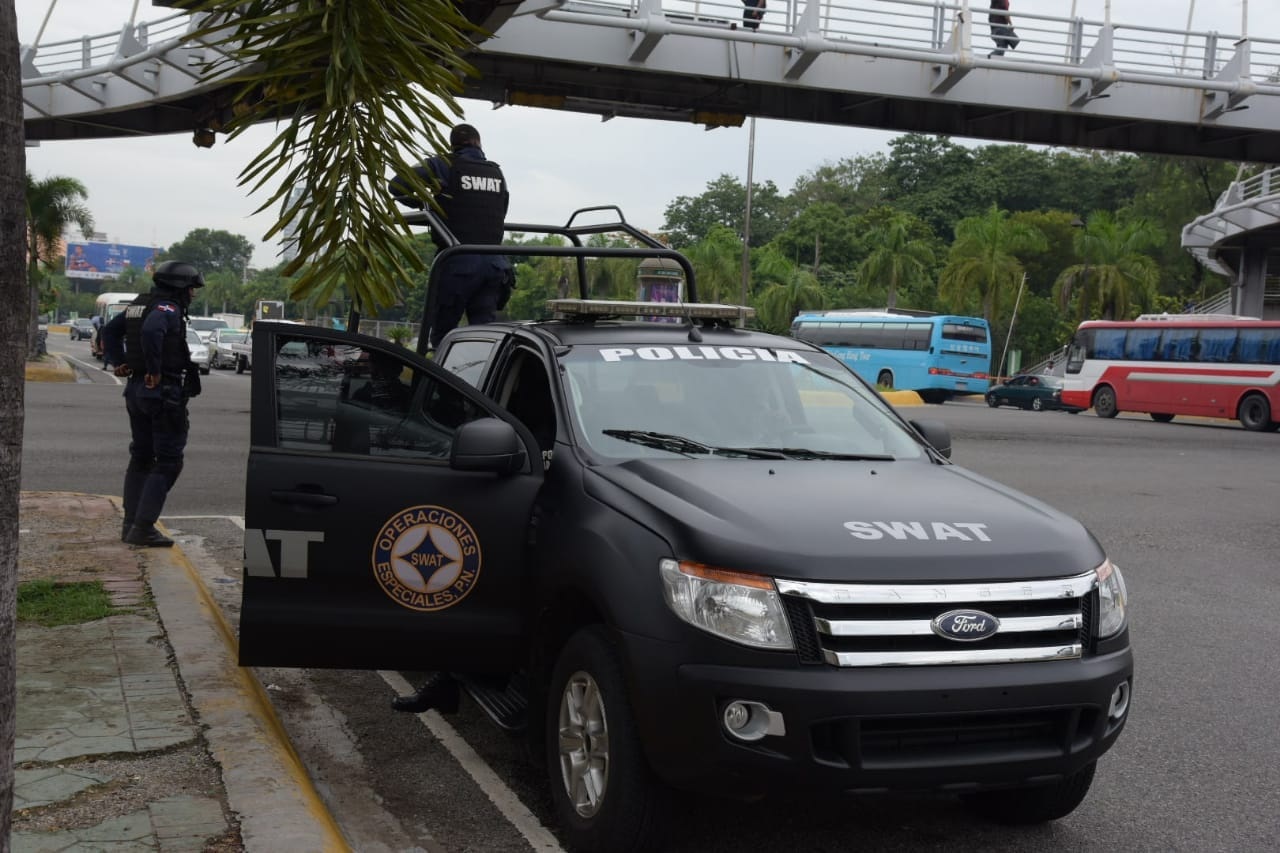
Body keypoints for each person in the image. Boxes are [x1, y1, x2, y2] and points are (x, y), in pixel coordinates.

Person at [100, 261, 205, 547]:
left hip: (135, 390)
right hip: (160, 392)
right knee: (169, 461)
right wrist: (156, 370)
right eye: (192, 289)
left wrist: (119, 361)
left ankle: (130, 524)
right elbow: (151, 332)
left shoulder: (139, 304)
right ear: (180, 288)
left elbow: (109, 331)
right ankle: (143, 527)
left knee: (142, 457)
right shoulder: (166, 309)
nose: (193, 295)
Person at [389, 123, 513, 350]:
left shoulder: (442, 164)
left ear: (452, 145)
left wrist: (426, 205)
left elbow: (396, 185)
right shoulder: (496, 172)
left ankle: (437, 382)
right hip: (495, 265)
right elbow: (502, 210)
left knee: (443, 338)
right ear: (479, 143)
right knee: (485, 338)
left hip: (457, 263)